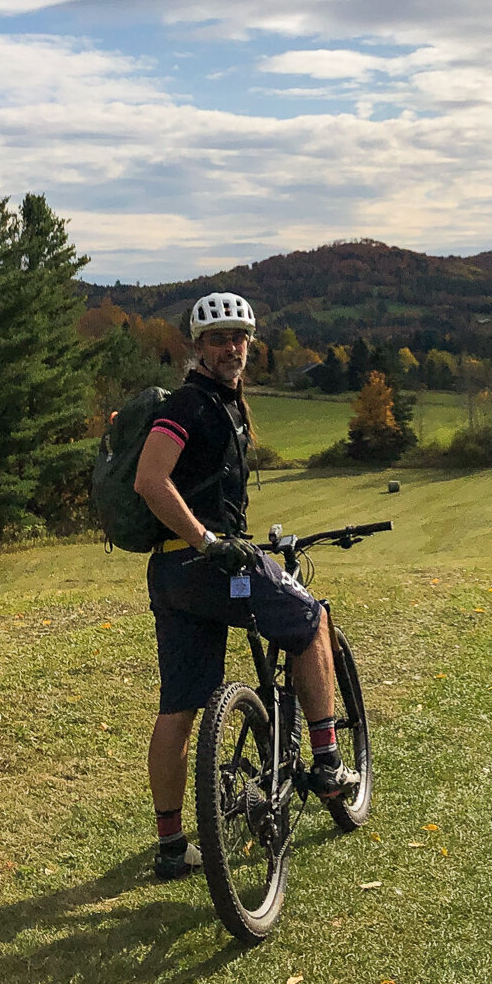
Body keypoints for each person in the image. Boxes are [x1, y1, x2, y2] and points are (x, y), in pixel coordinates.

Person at [134, 290, 360, 880]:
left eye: (240, 337)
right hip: (209, 564)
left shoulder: (224, 406)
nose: (232, 347)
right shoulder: (191, 404)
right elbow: (150, 480)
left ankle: (170, 846)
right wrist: (210, 542)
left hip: (174, 577)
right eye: (218, 338)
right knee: (311, 620)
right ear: (198, 348)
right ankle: (329, 762)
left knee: (182, 708)